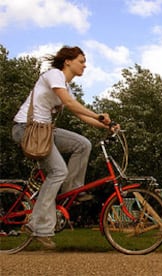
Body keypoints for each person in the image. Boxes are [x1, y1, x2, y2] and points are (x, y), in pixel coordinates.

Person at [12, 46, 117, 249]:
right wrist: (98, 115)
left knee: (83, 144)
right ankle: (38, 226)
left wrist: (107, 126)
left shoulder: (66, 87)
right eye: (81, 61)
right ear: (67, 61)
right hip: (27, 129)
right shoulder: (54, 75)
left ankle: (73, 191)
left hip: (45, 131)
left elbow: (81, 115)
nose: (84, 65)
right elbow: (69, 104)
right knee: (58, 171)